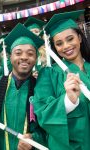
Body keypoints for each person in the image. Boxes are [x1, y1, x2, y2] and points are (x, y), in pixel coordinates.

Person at [30, 10, 90, 150]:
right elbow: (42, 111)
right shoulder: (49, 74)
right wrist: (68, 100)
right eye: (59, 43)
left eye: (70, 39)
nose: (66, 46)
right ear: (54, 48)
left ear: (79, 38)